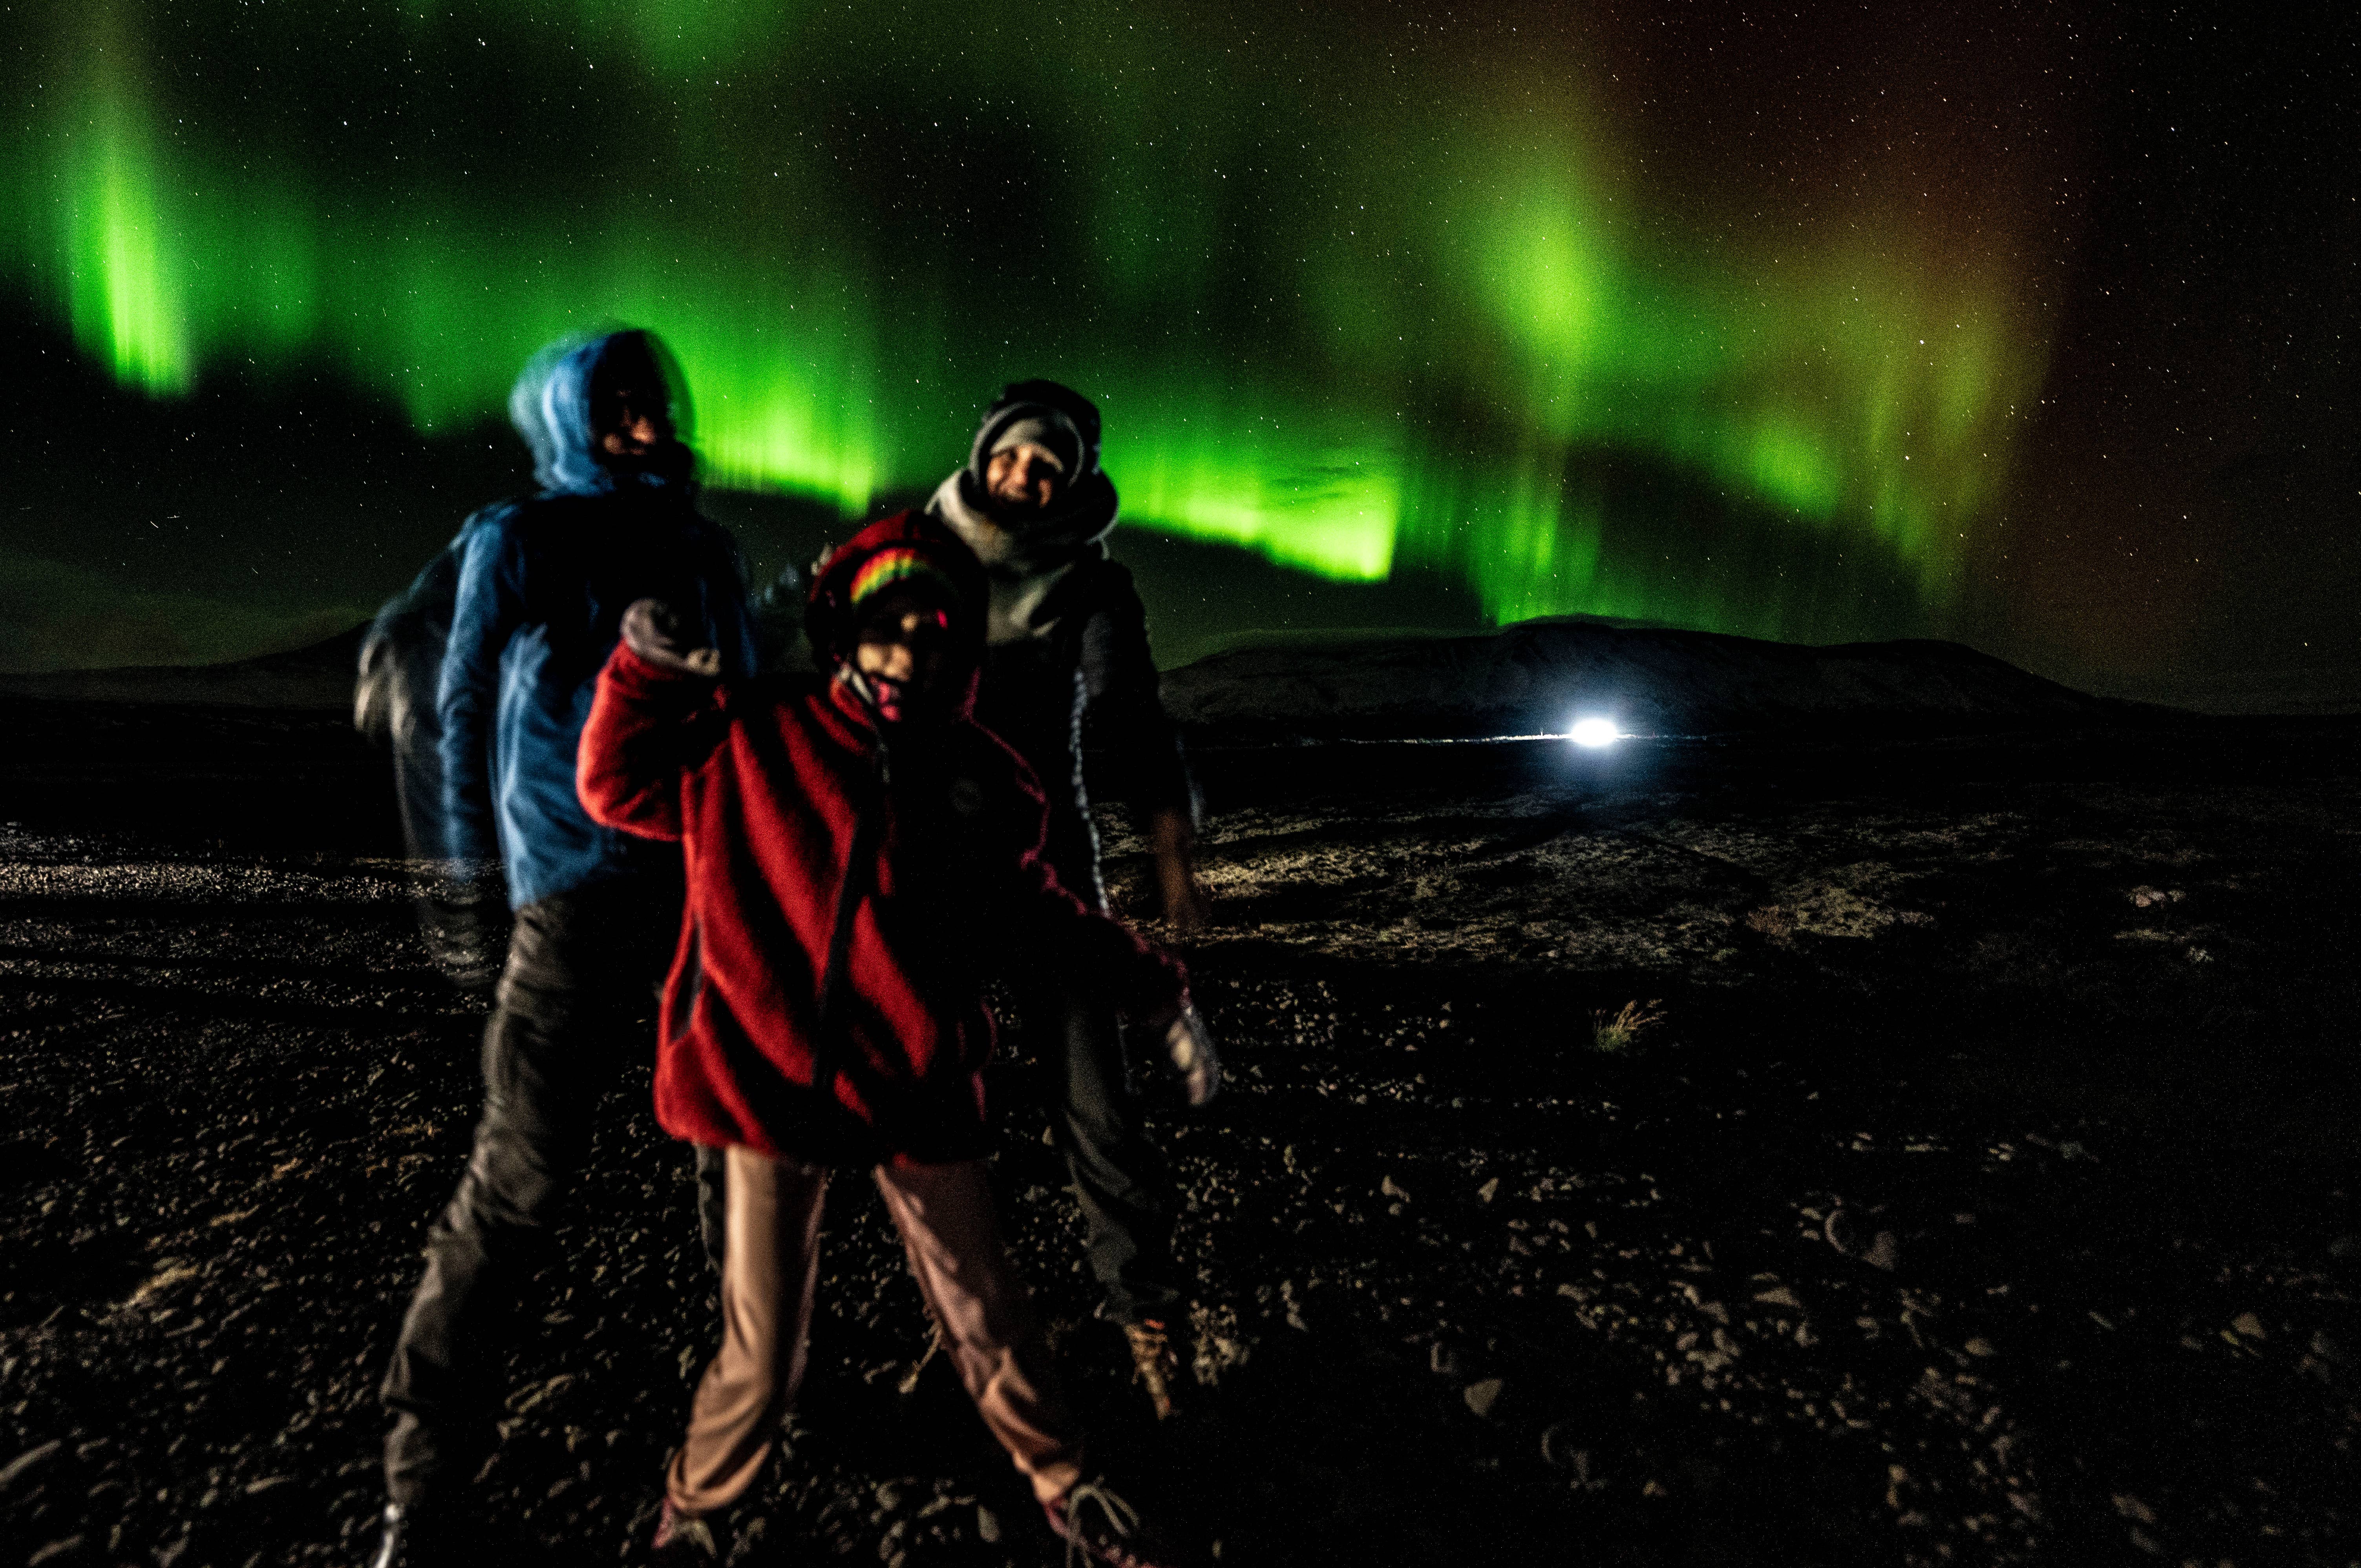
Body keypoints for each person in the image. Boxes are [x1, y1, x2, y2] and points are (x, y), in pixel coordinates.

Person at [576, 513, 1215, 1566]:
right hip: (764, 1086)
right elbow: (616, 785)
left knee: (986, 1307)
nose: (912, 639)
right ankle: (698, 1509)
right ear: (846, 625)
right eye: (891, 617)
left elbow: (1039, 913)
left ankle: (1068, 1483)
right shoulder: (751, 732)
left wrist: (1156, 997)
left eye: (935, 625)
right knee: (765, 1335)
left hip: (916, 1085)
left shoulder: (977, 779)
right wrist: (644, 669)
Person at [365, 328, 761, 1566]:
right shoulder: (520, 538)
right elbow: (456, 705)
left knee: (737, 1167)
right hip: (575, 903)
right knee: (521, 1181)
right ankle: (423, 1485)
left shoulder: (706, 550)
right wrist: (463, 888)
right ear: (572, 417)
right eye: (617, 406)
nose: (644, 425)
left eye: (654, 404)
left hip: (703, 903)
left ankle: (754, 1410)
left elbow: (748, 722)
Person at [926, 380, 1212, 1417]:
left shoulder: (1093, 591)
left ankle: (1144, 1310)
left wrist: (1167, 830)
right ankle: (968, 1317)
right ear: (983, 455)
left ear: (1068, 487)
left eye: (1045, 469)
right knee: (936, 1099)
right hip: (931, 870)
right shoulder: (919, 561)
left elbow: (1131, 710)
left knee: (1097, 1097)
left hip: (1049, 867)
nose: (1022, 477)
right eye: (1010, 458)